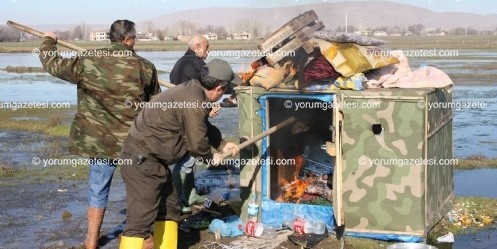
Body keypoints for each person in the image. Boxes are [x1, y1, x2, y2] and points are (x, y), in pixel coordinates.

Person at [38, 20, 160, 249]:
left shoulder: (88, 59)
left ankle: (92, 240)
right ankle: (139, 237)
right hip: (134, 143)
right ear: (128, 39)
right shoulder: (145, 66)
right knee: (137, 190)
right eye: (135, 39)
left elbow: (52, 65)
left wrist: (48, 41)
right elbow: (154, 107)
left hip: (100, 142)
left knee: (98, 189)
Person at [119, 58, 241, 249]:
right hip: (141, 160)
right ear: (219, 89)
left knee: (169, 209)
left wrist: (223, 145)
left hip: (155, 160)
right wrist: (210, 158)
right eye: (226, 89)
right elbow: (196, 144)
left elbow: (203, 127)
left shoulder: (194, 90)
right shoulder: (194, 101)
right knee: (139, 223)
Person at [169, 35, 217, 214]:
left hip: (179, 112)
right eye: (206, 46)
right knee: (185, 159)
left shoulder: (180, 62)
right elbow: (207, 86)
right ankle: (176, 203)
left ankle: (190, 195)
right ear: (197, 46)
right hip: (187, 115)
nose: (208, 50)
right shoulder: (197, 65)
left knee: (188, 156)